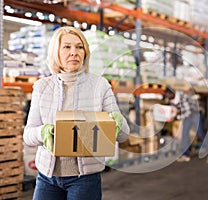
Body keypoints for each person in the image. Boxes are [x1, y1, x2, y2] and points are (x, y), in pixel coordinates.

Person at [23, 26, 129, 200]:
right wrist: (43, 132)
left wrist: (118, 122)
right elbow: (28, 135)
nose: (74, 52)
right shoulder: (42, 87)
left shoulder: (100, 85)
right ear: (56, 52)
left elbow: (123, 135)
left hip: (85, 179)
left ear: (85, 53)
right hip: (47, 177)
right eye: (67, 47)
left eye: (79, 47)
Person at [164, 87, 208, 164]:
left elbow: (188, 112)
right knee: (184, 134)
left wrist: (177, 117)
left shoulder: (182, 97)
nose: (167, 97)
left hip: (195, 114)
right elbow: (175, 110)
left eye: (168, 95)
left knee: (200, 134)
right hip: (187, 116)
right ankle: (185, 155)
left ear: (172, 94)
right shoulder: (171, 100)